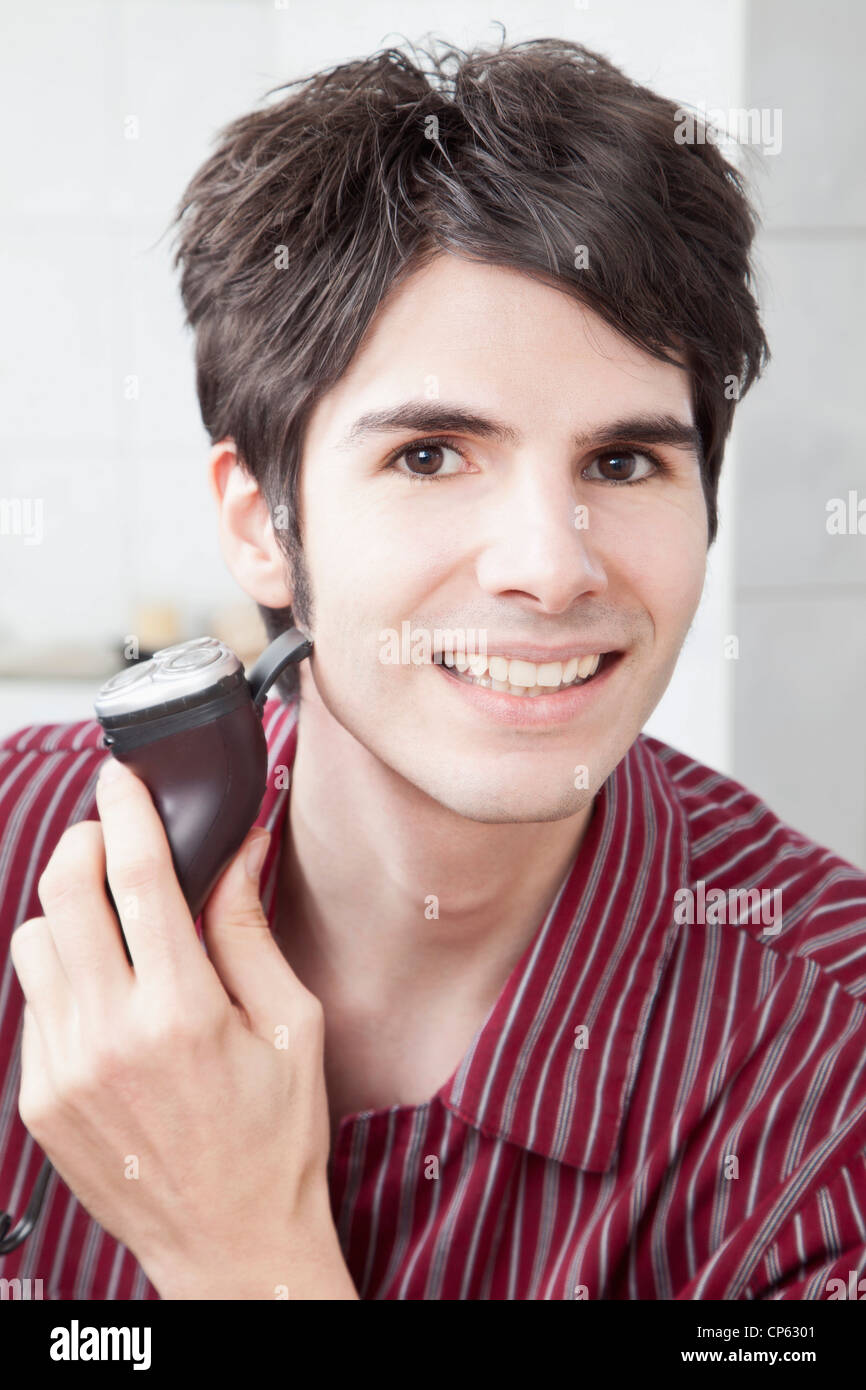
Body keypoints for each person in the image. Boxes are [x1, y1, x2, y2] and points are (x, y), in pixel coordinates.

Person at [1, 35, 865, 1301]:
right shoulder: (19, 844)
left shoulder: (824, 1070)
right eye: (429, 455)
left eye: (622, 463)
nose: (550, 569)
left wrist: (246, 1258)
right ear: (261, 524)